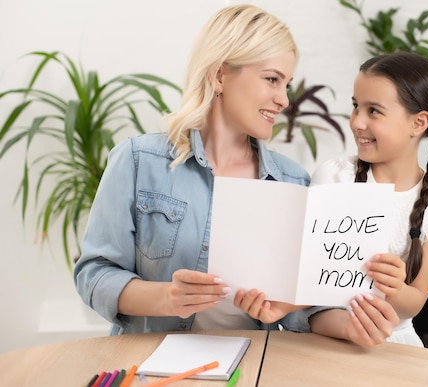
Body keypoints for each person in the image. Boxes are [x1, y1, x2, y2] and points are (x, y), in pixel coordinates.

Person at [74, 4, 397, 347]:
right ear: (219, 76)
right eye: (272, 79)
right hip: (151, 362)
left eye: (285, 83)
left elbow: (297, 306)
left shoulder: (293, 182)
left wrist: (353, 325)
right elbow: (94, 273)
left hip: (249, 367)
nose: (283, 99)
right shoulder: (138, 161)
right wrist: (167, 296)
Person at [307, 52, 428, 346]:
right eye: (355, 106)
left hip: (396, 344)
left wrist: (394, 288)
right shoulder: (333, 177)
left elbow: (414, 303)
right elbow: (311, 293)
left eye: (374, 111)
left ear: (418, 123)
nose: (356, 122)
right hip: (329, 336)